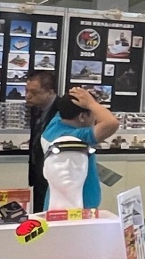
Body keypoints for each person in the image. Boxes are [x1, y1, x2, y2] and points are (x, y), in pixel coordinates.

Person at [40, 86, 119, 211]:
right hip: (77, 209)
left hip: (61, 206)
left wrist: (83, 97)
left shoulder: (55, 124)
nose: (96, 118)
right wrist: (91, 104)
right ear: (82, 116)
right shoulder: (75, 138)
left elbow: (68, 106)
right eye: (93, 114)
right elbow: (111, 123)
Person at [24, 70, 58, 212]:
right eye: (26, 91)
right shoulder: (35, 109)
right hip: (38, 173)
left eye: (34, 92)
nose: (27, 96)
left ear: (50, 92)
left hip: (55, 178)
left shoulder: (62, 111)